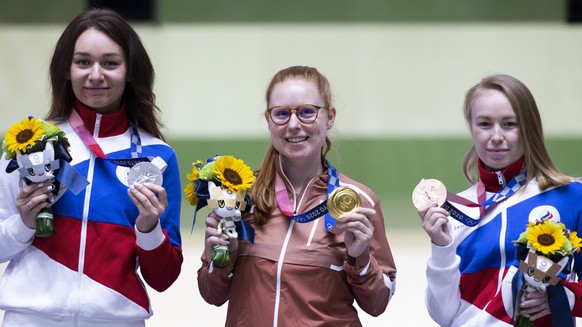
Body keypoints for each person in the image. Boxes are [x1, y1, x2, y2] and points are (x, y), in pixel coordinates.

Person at [0, 8, 183, 326]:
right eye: (83, 62)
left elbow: (164, 278)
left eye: (110, 63)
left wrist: (149, 228)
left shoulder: (158, 157)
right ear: (66, 70)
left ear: (129, 72)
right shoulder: (30, 145)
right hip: (30, 319)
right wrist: (25, 223)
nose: (95, 75)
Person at [197, 65, 397, 326]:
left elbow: (378, 303)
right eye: (281, 114)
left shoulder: (357, 201)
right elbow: (211, 294)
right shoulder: (240, 197)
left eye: (306, 112)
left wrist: (359, 257)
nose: (293, 125)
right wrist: (224, 255)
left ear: (330, 117)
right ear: (269, 120)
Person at [417, 74, 582, 326]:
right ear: (471, 127)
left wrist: (564, 297)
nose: (496, 136)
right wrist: (441, 248)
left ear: (530, 128)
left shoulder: (571, 196)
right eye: (484, 124)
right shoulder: (455, 210)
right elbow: (444, 314)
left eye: (509, 124)